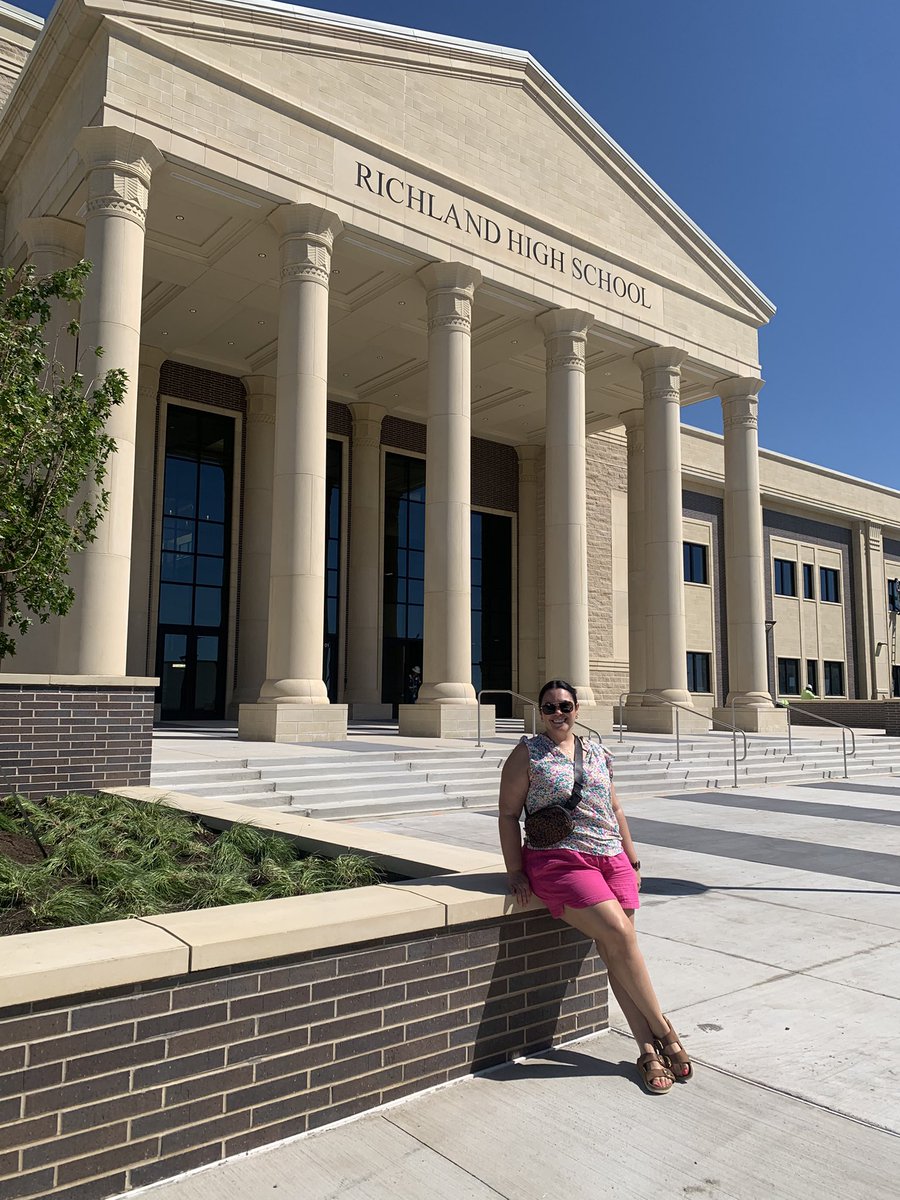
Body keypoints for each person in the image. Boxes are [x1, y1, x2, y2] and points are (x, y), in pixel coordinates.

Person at [498, 679, 692, 1094]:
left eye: (564, 706)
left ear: (576, 709)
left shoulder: (599, 753)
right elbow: (507, 813)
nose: (557, 713)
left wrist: (633, 858)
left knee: (617, 951)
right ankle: (665, 1030)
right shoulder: (526, 753)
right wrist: (515, 870)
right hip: (560, 860)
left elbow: (614, 807)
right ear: (540, 711)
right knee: (621, 936)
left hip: (612, 858)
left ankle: (647, 1051)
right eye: (549, 707)